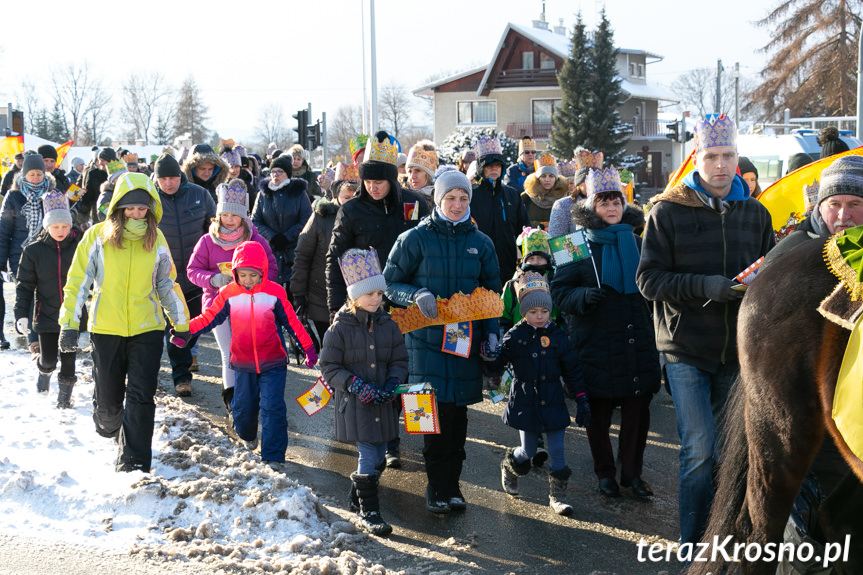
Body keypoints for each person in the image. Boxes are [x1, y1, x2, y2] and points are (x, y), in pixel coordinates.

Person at [636, 115, 774, 544]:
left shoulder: (756, 213)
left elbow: (769, 274)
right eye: (711, 156)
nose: (720, 165)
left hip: (737, 352)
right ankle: (693, 546)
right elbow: (649, 281)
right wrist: (706, 287)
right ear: (697, 157)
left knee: (732, 455)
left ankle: (723, 540)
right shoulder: (669, 210)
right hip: (684, 348)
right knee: (699, 452)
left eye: (728, 155)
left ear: (737, 159)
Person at [384, 167, 501, 513]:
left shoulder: (480, 243)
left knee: (458, 416)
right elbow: (389, 283)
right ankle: (436, 487)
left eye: (463, 198)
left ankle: (453, 486)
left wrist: (493, 331)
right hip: (422, 341)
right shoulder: (414, 239)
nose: (457, 203)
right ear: (438, 199)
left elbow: (492, 292)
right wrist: (414, 294)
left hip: (464, 340)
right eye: (450, 197)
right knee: (429, 414)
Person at [58, 172, 191, 473]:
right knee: (109, 405)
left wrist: (181, 323)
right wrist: (69, 323)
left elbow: (167, 284)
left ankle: (134, 462)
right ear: (118, 206)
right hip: (106, 328)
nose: (135, 213)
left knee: (142, 396)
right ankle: (107, 423)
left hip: (148, 328)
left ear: (150, 208)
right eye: (130, 208)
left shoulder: (156, 238)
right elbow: (77, 282)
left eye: (141, 208)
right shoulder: (97, 236)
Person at [551, 168, 661, 498]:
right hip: (594, 339)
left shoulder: (640, 242)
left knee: (637, 410)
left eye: (616, 201)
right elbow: (558, 292)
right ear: (591, 205)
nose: (611, 207)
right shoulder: (572, 244)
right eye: (603, 201)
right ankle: (604, 472)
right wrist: (581, 297)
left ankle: (632, 474)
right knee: (597, 411)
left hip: (635, 338)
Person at [326, 131, 430, 469]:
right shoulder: (352, 210)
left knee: (405, 370)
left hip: (408, 301)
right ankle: (386, 441)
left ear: (391, 180)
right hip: (367, 303)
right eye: (367, 180)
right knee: (373, 372)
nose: (373, 187)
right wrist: (336, 306)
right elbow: (335, 258)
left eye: (379, 181)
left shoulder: (414, 204)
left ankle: (418, 434)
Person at [181, 240, 316, 467]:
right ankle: (247, 434)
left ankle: (273, 456)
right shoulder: (228, 294)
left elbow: (293, 323)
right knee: (243, 408)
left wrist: (309, 348)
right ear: (235, 272)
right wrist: (187, 331)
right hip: (243, 363)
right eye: (243, 275)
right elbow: (209, 318)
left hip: (273, 362)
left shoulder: (275, 293)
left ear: (263, 272)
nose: (248, 280)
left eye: (254, 275)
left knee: (272, 407)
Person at [319, 247, 409, 536]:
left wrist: (394, 383)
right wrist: (356, 385)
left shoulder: (390, 326)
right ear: (354, 295)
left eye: (380, 294)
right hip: (356, 402)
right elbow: (329, 367)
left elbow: (399, 360)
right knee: (370, 454)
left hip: (383, 400)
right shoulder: (339, 329)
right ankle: (371, 512)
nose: (376, 299)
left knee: (381, 455)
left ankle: (357, 496)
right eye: (370, 294)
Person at [485, 272, 589, 515]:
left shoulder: (558, 336)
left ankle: (557, 497)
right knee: (528, 451)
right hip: (525, 400)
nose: (539, 316)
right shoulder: (515, 336)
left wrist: (582, 399)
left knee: (557, 451)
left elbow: (572, 370)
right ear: (524, 312)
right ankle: (510, 467)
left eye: (544, 311)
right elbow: (496, 366)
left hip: (553, 399)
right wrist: (490, 355)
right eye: (533, 312)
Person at [187, 179, 278, 413]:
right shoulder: (207, 241)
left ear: (243, 217)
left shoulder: (255, 240)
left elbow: (272, 269)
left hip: (251, 305)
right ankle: (232, 401)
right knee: (229, 352)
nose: (229, 219)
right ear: (218, 215)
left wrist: (257, 283)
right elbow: (192, 270)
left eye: (234, 215)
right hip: (218, 306)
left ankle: (251, 395)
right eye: (225, 214)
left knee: (250, 351)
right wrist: (213, 279)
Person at [153, 152, 217, 397]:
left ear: (180, 175)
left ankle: (188, 352)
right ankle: (182, 377)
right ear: (157, 179)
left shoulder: (199, 195)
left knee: (195, 326)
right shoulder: (151, 200)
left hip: (196, 276)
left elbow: (212, 229)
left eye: (173, 177)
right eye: (163, 179)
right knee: (176, 327)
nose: (169, 183)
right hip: (165, 278)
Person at [14, 191, 83, 407]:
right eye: (55, 226)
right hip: (45, 314)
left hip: (72, 313)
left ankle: (64, 401)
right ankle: (44, 373)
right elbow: (24, 286)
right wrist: (21, 315)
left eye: (64, 226)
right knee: (49, 359)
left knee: (69, 358)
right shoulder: (33, 251)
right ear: (46, 225)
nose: (61, 231)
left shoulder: (79, 246)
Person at [292, 163, 358, 350]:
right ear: (336, 195)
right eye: (346, 197)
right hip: (322, 297)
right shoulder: (321, 217)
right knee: (330, 349)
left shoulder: (364, 216)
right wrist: (298, 294)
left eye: (355, 197)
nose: (350, 202)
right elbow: (302, 255)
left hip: (357, 297)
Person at [0, 153, 55, 354]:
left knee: (44, 295)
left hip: (45, 252)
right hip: (20, 254)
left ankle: (45, 336)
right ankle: (34, 340)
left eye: (39, 174)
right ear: (24, 174)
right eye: (31, 174)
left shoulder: (51, 193)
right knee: (29, 294)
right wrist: (1, 261)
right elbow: (4, 230)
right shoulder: (14, 196)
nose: (35, 178)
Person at [764, 155, 863, 266]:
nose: (843, 216)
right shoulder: (789, 251)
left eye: (854, 204)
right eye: (834, 204)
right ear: (820, 207)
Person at [470, 136, 530, 288]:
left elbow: (524, 230)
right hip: (477, 262)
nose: (494, 169)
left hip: (507, 261)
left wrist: (528, 257)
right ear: (481, 168)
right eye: (489, 165)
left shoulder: (512, 194)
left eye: (497, 165)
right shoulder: (470, 195)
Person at [251, 153, 312, 299]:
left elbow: (307, 220)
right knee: (270, 295)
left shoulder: (299, 193)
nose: (275, 175)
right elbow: (255, 221)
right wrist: (272, 237)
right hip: (270, 250)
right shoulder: (263, 194)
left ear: (288, 174)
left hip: (294, 250)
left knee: (293, 295)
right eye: (273, 171)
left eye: (280, 172)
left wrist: (287, 237)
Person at [547, 147, 602, 237]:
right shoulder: (563, 205)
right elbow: (556, 241)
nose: (592, 184)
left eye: (596, 179)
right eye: (587, 180)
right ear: (579, 183)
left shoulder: (606, 204)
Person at [521, 153, 568, 229]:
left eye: (551, 176)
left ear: (556, 179)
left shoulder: (564, 197)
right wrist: (539, 226)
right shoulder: (526, 197)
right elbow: (520, 220)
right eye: (543, 176)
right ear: (537, 179)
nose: (547, 180)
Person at [405, 140, 438, 211]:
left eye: (418, 171)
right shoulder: (400, 197)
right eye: (410, 171)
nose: (412, 177)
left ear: (429, 174)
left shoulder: (439, 199)